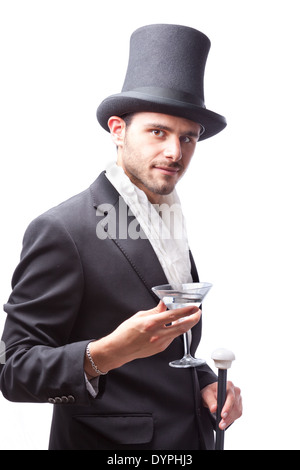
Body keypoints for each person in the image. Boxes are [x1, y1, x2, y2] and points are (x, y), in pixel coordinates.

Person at [0, 24, 242, 450]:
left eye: (188, 138)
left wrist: (205, 381)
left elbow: (169, 350)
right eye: (158, 132)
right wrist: (106, 353)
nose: (175, 152)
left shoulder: (168, 218)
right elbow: (14, 372)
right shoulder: (63, 230)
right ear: (117, 130)